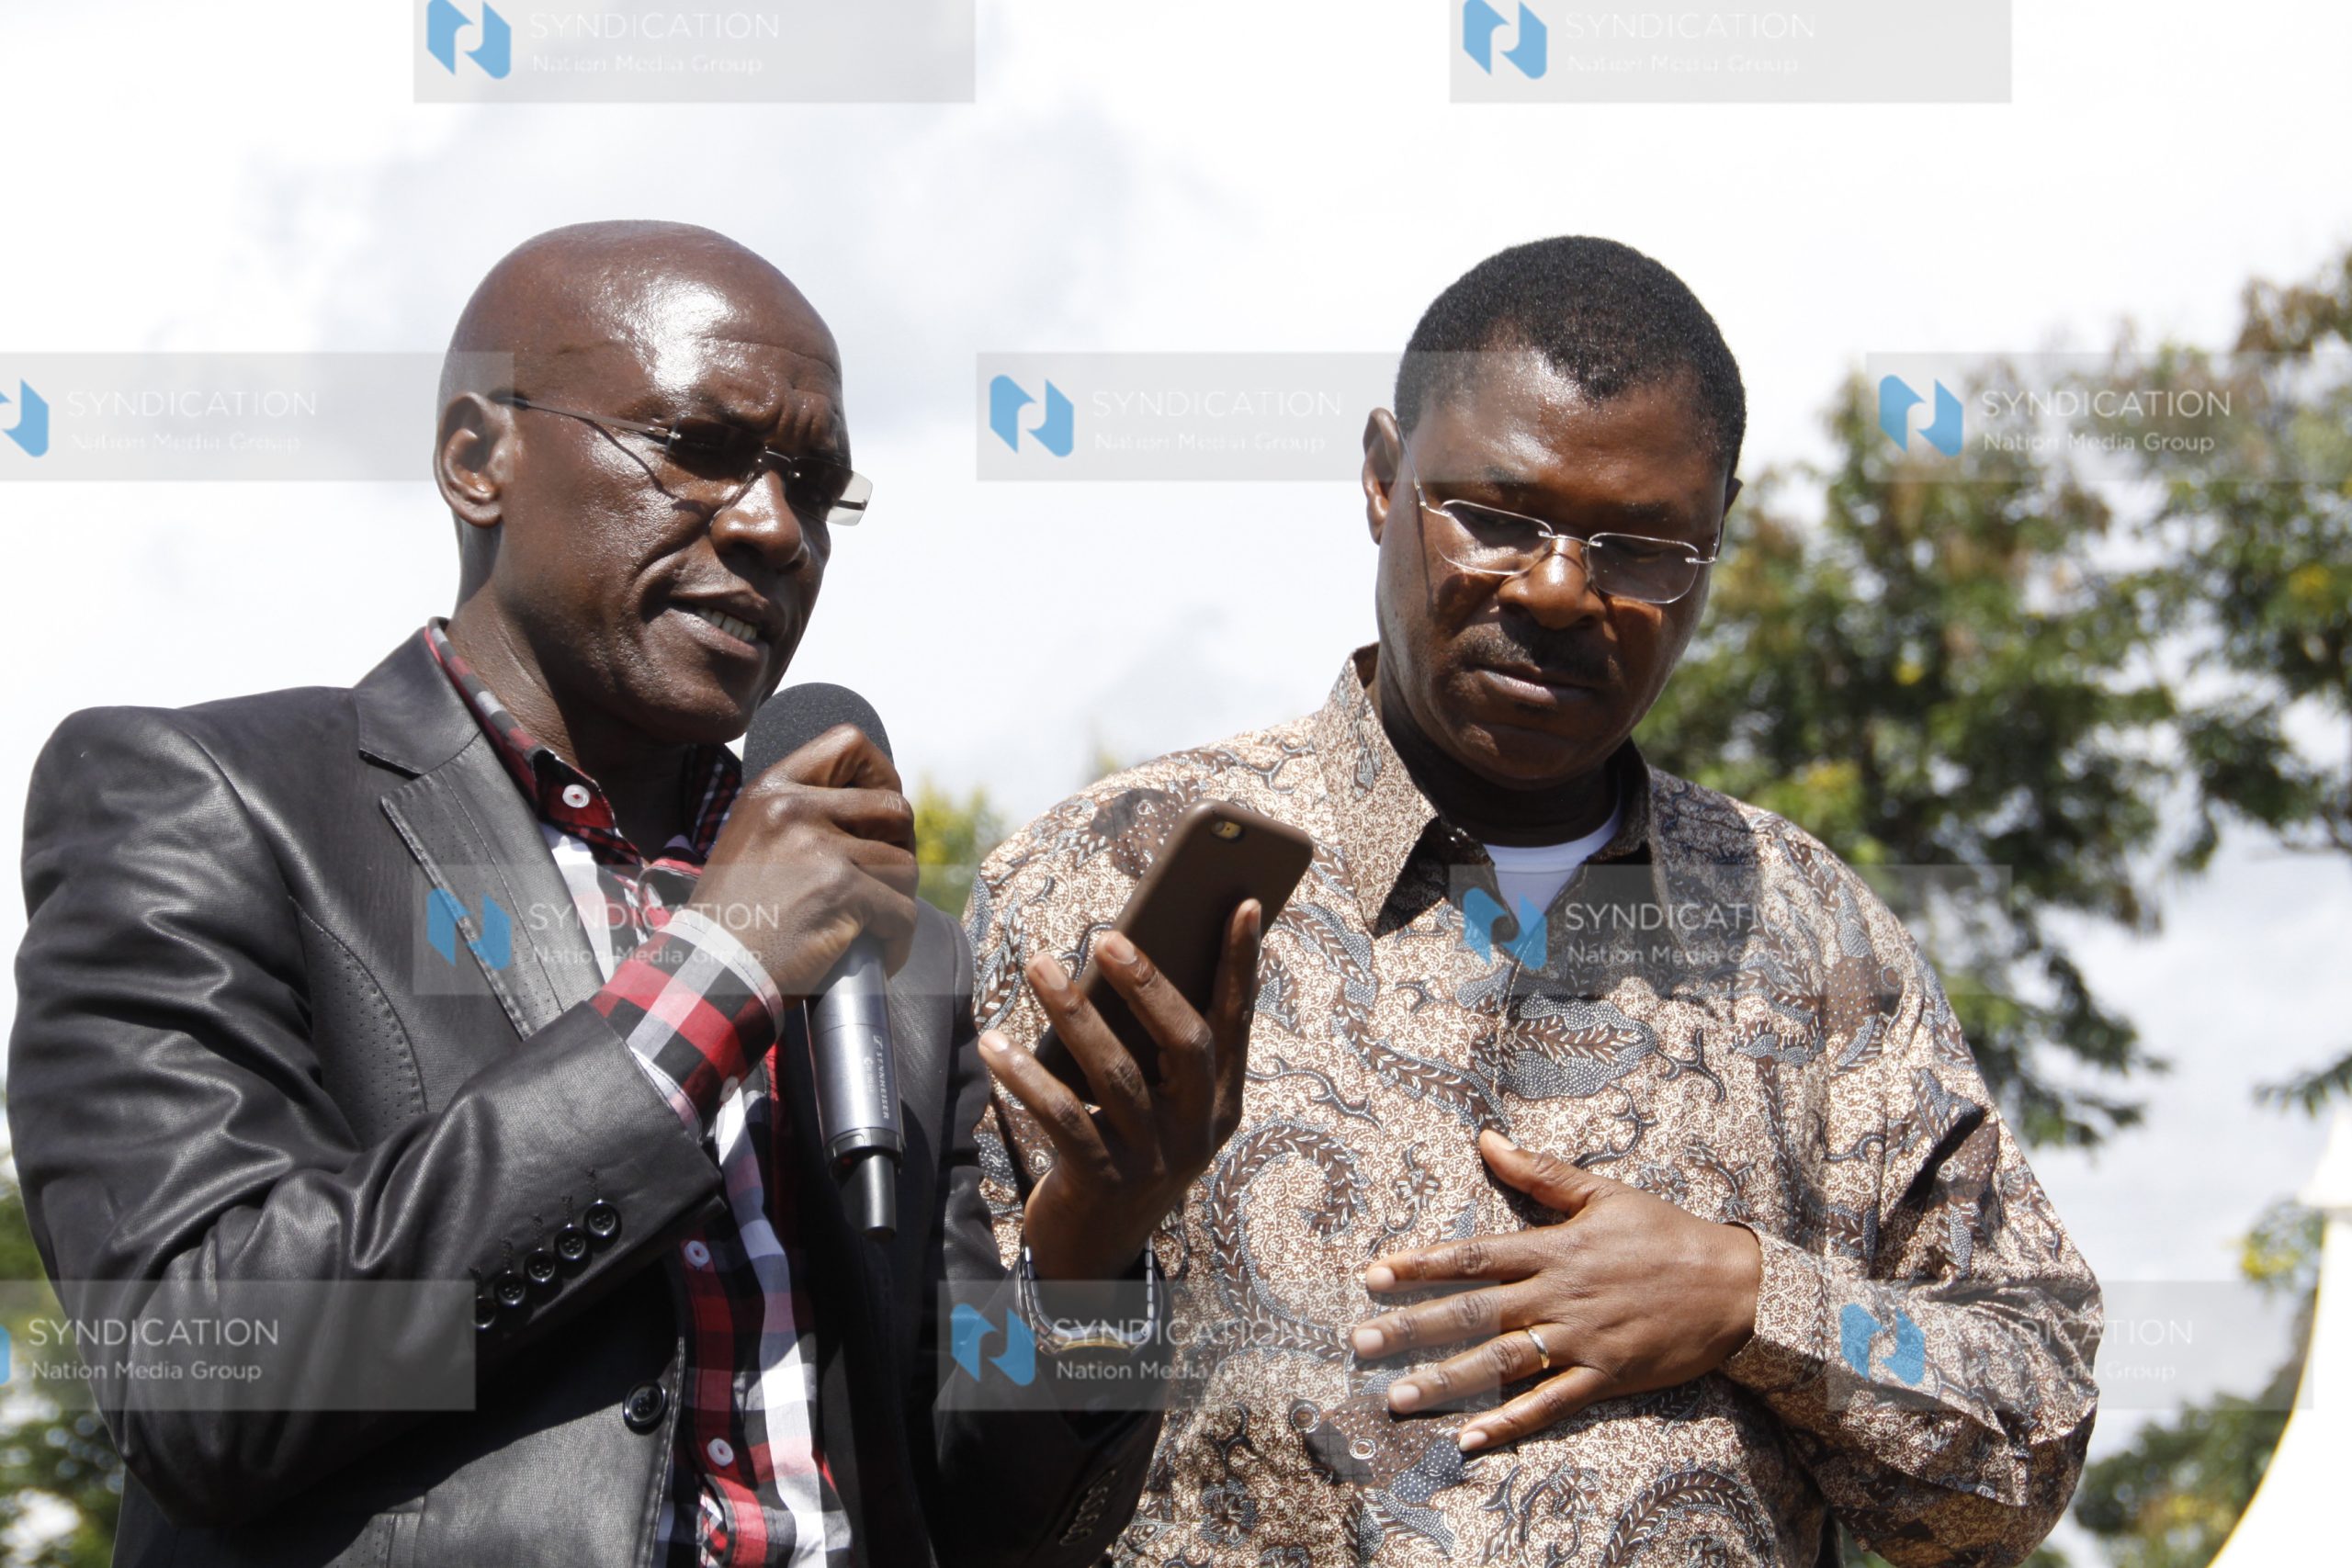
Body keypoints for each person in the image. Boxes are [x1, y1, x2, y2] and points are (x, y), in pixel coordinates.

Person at [7, 220, 1260, 1568]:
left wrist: (1087, 1249)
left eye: (817, 487)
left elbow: (978, 1520)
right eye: (701, 449)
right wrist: (714, 975)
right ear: (477, 459)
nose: (776, 528)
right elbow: (211, 1387)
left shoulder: (887, 953)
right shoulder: (210, 801)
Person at [964, 236, 2101, 1567]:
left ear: (1717, 536)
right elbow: (930, 1465)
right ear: (1384, 477)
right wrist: (1090, 1245)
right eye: (1498, 518)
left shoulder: (1807, 934)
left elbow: (2022, 1454)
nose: (1560, 589)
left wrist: (1750, 1300)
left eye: (1640, 546)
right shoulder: (1103, 880)